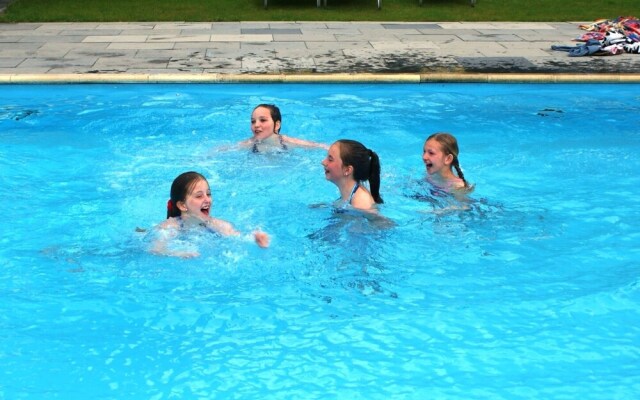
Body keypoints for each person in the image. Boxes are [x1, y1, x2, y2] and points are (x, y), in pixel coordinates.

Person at [151, 171, 270, 257]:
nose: (207, 200)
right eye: (199, 196)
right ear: (182, 205)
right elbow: (155, 249)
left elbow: (239, 238)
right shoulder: (171, 226)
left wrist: (256, 240)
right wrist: (176, 253)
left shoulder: (220, 225)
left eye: (208, 194)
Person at [321, 139, 383, 212]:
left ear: (347, 170)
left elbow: (380, 222)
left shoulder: (361, 203)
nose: (323, 162)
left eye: (330, 159)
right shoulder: (349, 195)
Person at [239, 104, 329, 152]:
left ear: (277, 125)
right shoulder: (250, 143)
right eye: (253, 121)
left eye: (262, 120)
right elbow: (228, 149)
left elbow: (314, 145)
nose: (256, 125)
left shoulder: (285, 140)